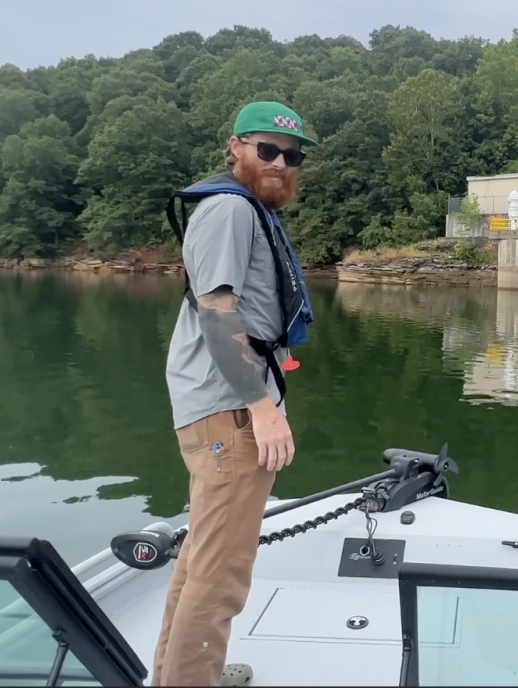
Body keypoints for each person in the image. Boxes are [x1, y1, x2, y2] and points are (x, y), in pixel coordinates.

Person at [151, 101, 317, 687]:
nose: (279, 162)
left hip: (224, 409)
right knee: (221, 574)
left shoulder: (242, 210)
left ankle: (181, 675)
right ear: (235, 148)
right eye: (266, 149)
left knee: (202, 559)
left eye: (291, 155)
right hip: (229, 414)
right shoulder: (228, 210)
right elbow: (218, 312)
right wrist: (263, 407)